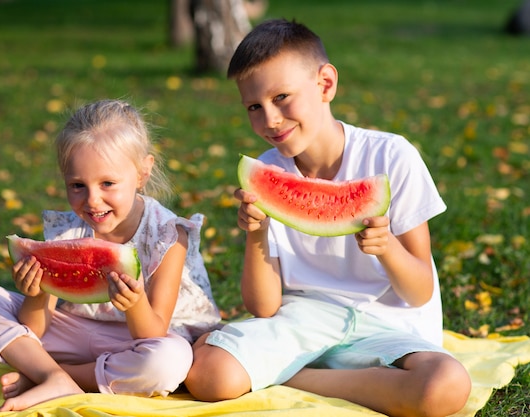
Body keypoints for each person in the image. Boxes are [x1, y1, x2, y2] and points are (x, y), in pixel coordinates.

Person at [184, 19, 472, 417]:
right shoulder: (268, 173)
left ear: (325, 84)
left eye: (282, 97)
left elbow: (420, 291)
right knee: (209, 375)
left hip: (386, 327)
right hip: (303, 320)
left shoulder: (391, 157)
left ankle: (291, 376)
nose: (269, 120)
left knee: (446, 385)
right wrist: (256, 234)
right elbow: (264, 308)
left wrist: (387, 248)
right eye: (254, 106)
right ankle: (361, 386)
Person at [0, 99, 222, 412]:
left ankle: (53, 377)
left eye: (108, 183)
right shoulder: (66, 232)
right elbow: (36, 327)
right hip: (74, 332)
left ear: (142, 172)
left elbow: (152, 331)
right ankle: (54, 375)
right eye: (77, 185)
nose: (92, 200)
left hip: (141, 342)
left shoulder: (168, 235)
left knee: (170, 361)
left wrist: (135, 302)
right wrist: (34, 294)